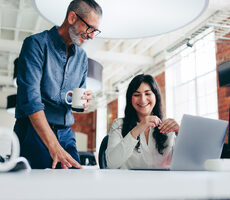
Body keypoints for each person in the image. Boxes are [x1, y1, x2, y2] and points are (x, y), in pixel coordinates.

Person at [13, 0, 102, 169]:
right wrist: (53, 145)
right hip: (33, 132)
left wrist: (83, 103)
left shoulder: (82, 58)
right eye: (89, 28)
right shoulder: (35, 44)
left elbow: (75, 98)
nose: (91, 36)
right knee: (34, 191)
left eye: (95, 31)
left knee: (72, 188)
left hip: (66, 134)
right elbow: (31, 101)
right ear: (72, 17)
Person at [106, 74, 179, 169]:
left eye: (148, 93)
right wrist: (136, 130)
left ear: (155, 96)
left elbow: (183, 163)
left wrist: (180, 134)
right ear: (130, 99)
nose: (143, 100)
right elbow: (111, 164)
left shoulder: (167, 125)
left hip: (162, 182)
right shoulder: (119, 124)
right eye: (136, 95)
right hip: (129, 182)